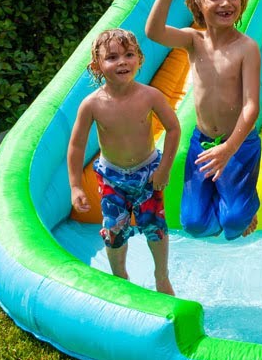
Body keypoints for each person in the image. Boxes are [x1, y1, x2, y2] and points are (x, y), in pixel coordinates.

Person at [145, 0, 262, 240]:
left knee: (235, 223)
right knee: (195, 225)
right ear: (197, 2)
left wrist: (229, 149)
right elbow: (153, 32)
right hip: (203, 141)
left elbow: (250, 107)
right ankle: (230, 206)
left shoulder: (247, 48)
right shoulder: (193, 40)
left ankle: (245, 209)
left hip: (239, 143)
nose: (226, 3)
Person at [67, 28, 182, 295]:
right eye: (112, 57)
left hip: (148, 173)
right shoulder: (92, 104)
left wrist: (164, 168)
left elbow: (174, 129)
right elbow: (76, 145)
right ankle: (120, 277)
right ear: (97, 65)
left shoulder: (150, 96)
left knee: (155, 227)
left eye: (129, 55)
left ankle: (161, 276)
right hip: (112, 177)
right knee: (114, 231)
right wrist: (75, 186)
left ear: (140, 60)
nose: (122, 62)